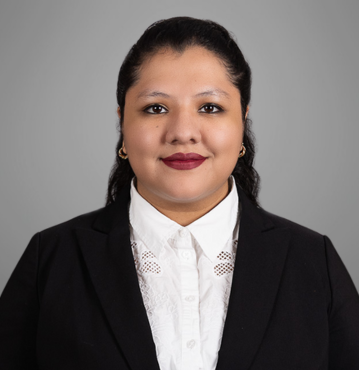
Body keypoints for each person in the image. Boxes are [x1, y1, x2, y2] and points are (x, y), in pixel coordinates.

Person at [0, 16, 359, 370]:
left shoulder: (314, 262)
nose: (183, 132)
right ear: (122, 122)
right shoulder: (49, 260)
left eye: (210, 107)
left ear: (243, 121)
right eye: (155, 108)